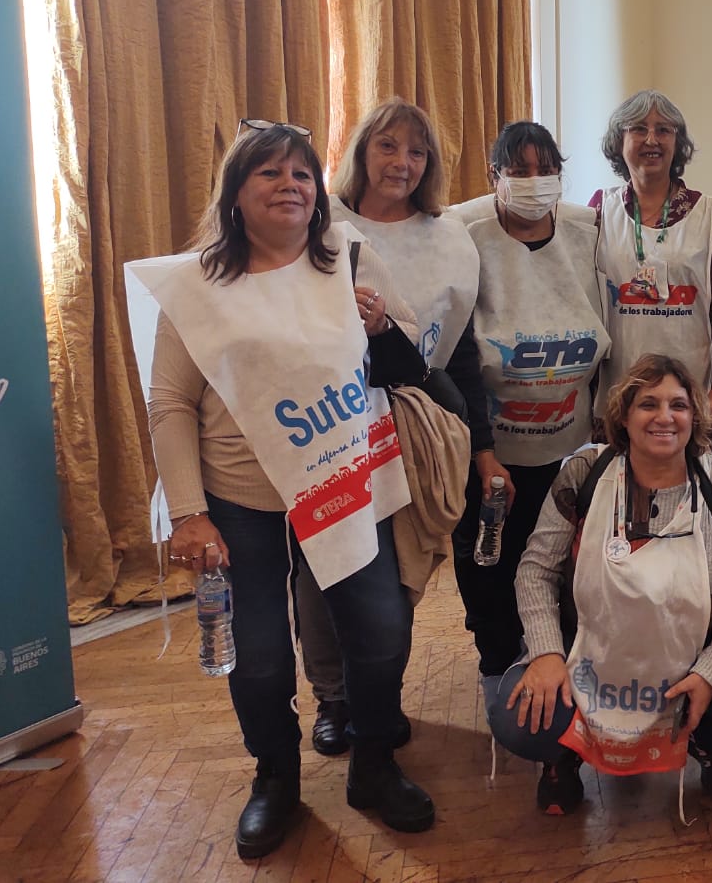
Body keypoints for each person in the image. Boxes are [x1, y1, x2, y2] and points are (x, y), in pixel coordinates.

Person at [145, 121, 435, 859]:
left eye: (302, 173)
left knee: (380, 631)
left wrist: (381, 326)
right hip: (238, 499)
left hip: (342, 483)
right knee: (261, 654)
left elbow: (412, 360)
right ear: (236, 194)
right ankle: (274, 775)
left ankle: (374, 761)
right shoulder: (196, 286)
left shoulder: (350, 257)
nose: (290, 185)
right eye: (270, 173)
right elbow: (170, 403)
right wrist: (188, 512)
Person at [487, 355, 712, 814]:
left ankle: (707, 737)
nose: (664, 417)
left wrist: (711, 673)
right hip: (591, 649)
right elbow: (536, 570)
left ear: (695, 416)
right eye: (648, 404)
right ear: (623, 416)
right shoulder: (584, 474)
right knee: (518, 717)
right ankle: (565, 750)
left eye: (679, 405)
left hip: (695, 652)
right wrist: (546, 653)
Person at [287, 100, 489, 756]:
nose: (402, 162)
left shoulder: (451, 238)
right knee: (322, 567)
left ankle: (378, 695)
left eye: (417, 151)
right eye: (388, 146)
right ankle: (332, 698)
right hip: (325, 428)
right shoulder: (319, 224)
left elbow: (459, 350)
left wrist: (481, 442)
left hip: (412, 427)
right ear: (361, 152)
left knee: (397, 571)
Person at [461, 121, 609, 681]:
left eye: (546, 170)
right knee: (490, 564)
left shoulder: (586, 233)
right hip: (490, 451)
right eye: (519, 171)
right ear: (493, 176)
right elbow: (455, 352)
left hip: (569, 445)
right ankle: (498, 662)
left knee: (559, 560)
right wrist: (481, 451)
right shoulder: (465, 235)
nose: (534, 181)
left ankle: (560, 656)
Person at [591, 91, 712, 425]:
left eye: (663, 130)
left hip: (689, 392)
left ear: (678, 142)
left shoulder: (707, 213)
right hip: (617, 390)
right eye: (638, 129)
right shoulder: (600, 209)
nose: (651, 139)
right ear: (618, 141)